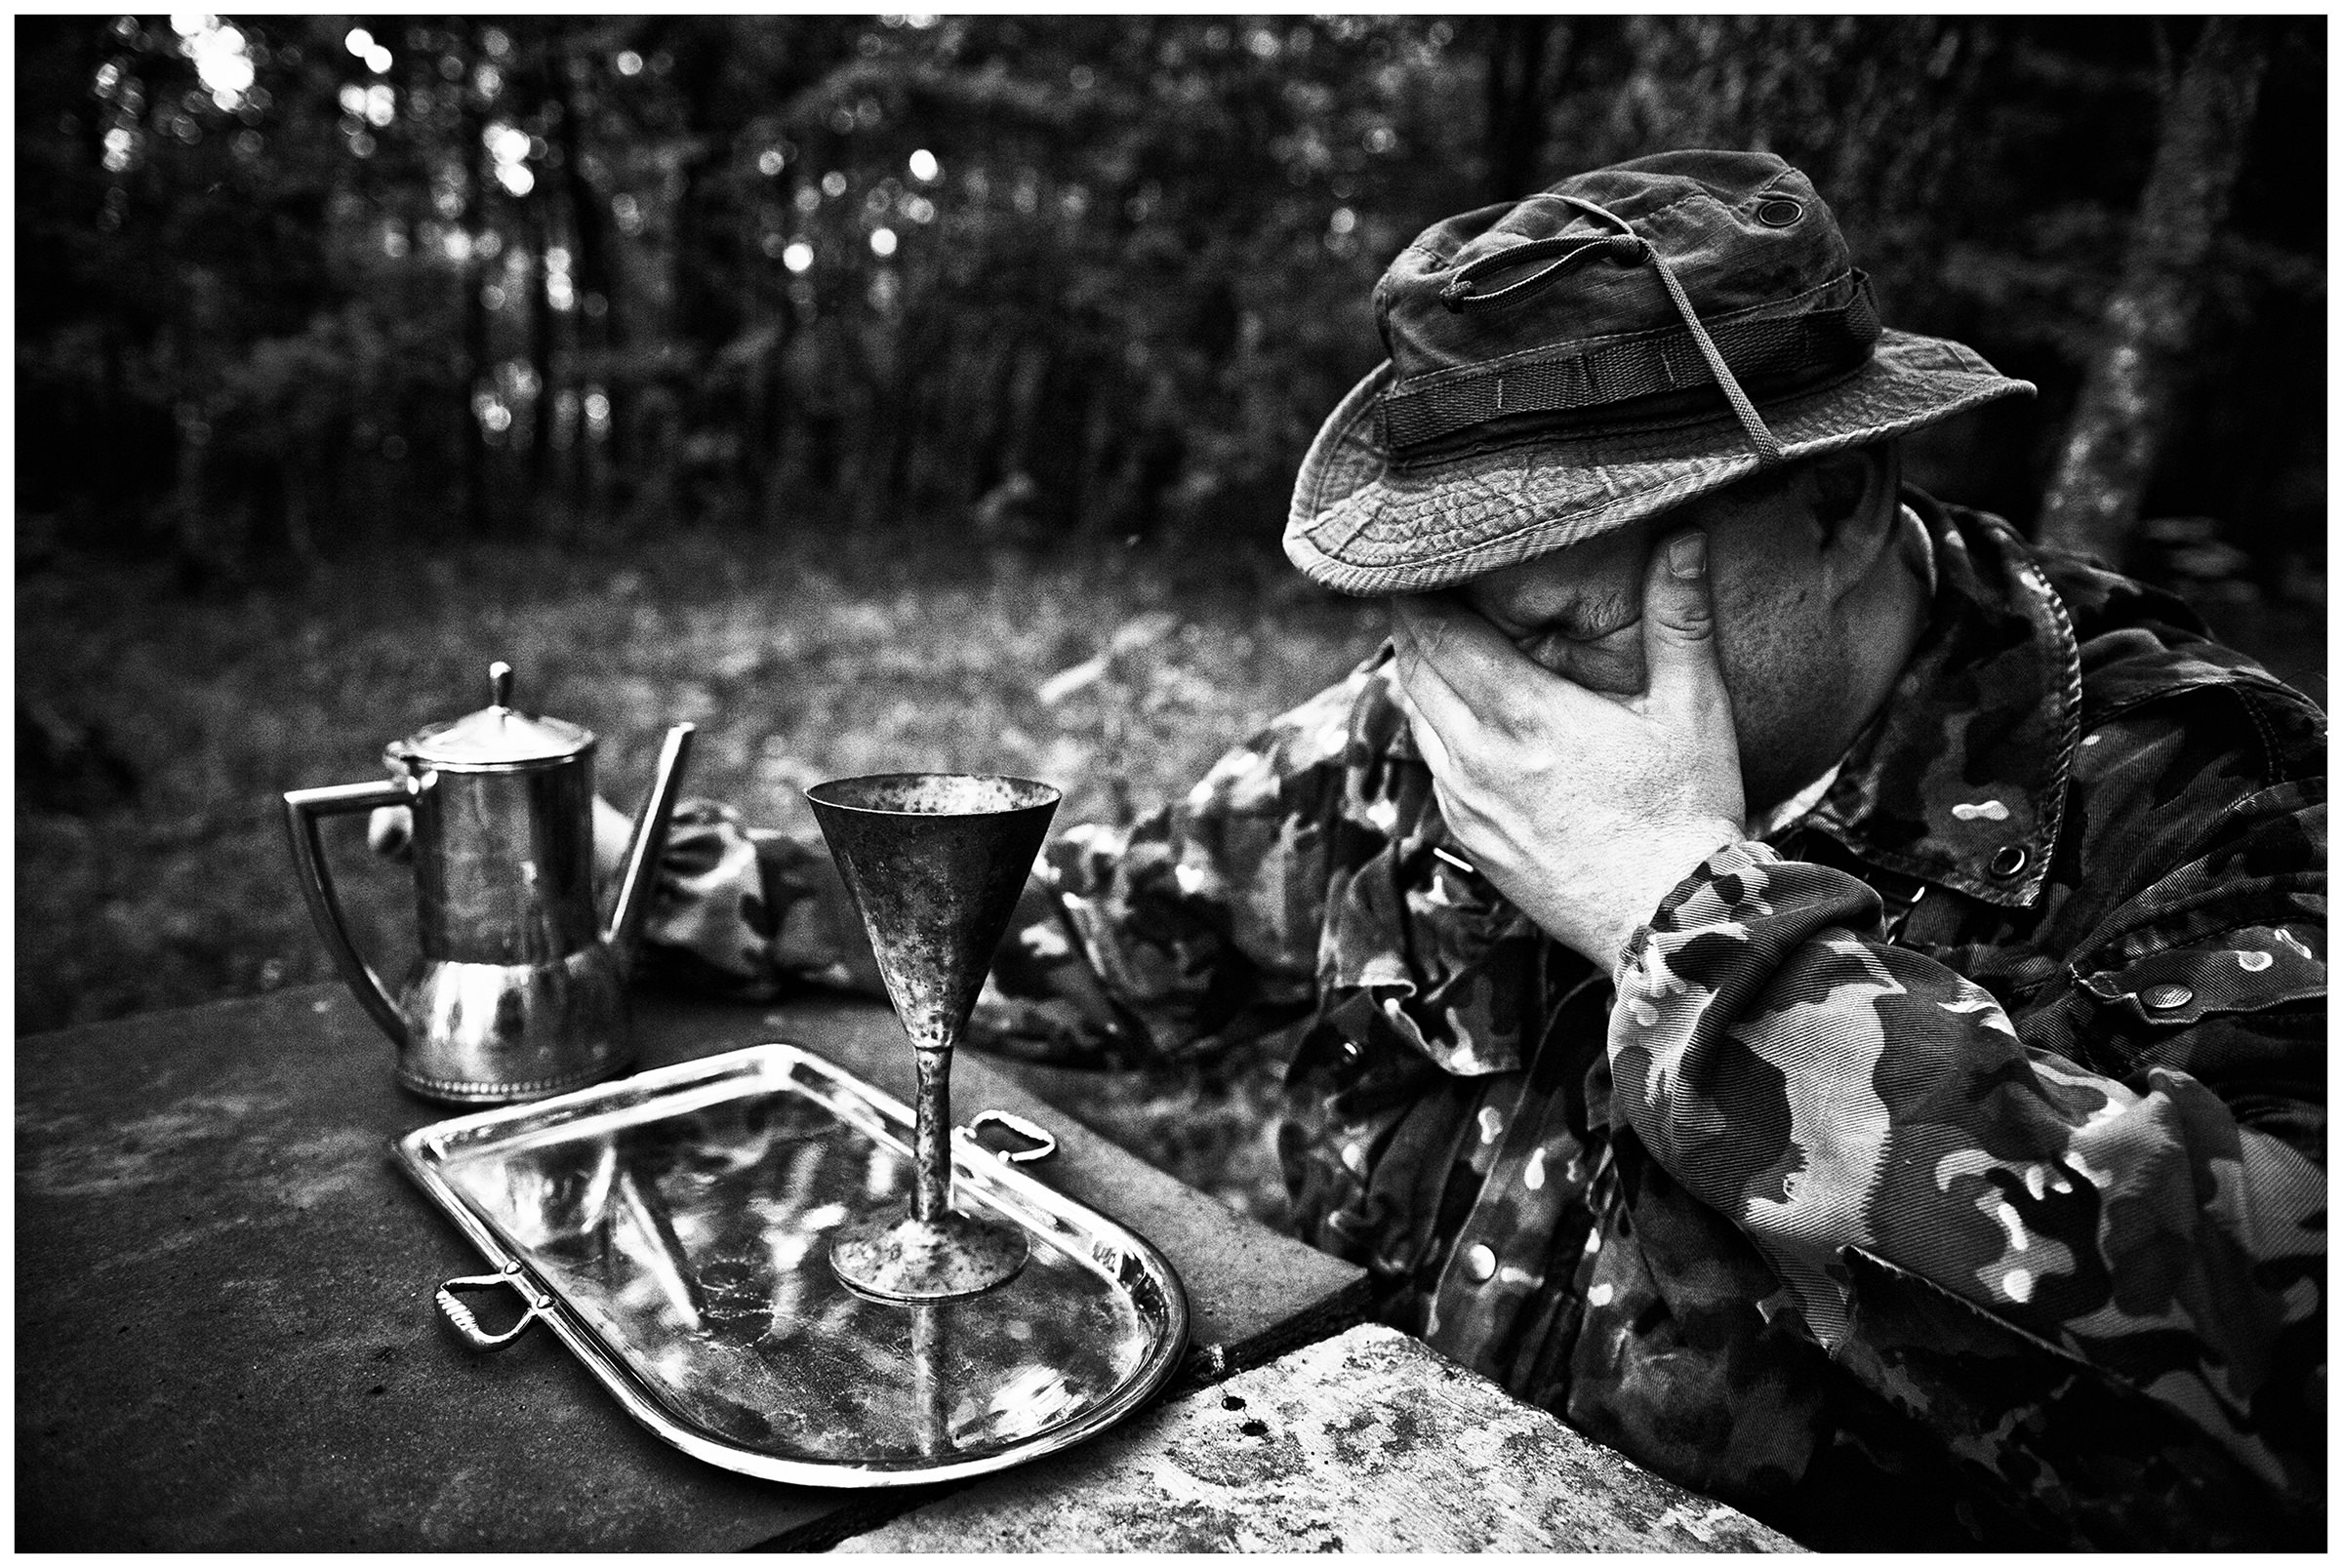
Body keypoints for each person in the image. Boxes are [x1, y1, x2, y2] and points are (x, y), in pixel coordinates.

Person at [406, 151, 2327, 1548]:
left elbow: (2287, 1349)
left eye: (1572, 624)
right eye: (1455, 617)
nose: (1491, 706)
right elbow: (1106, 927)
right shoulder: (1452, 715)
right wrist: (654, 880)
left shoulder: (2193, 797)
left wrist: (1691, 922)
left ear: (1836, 502)